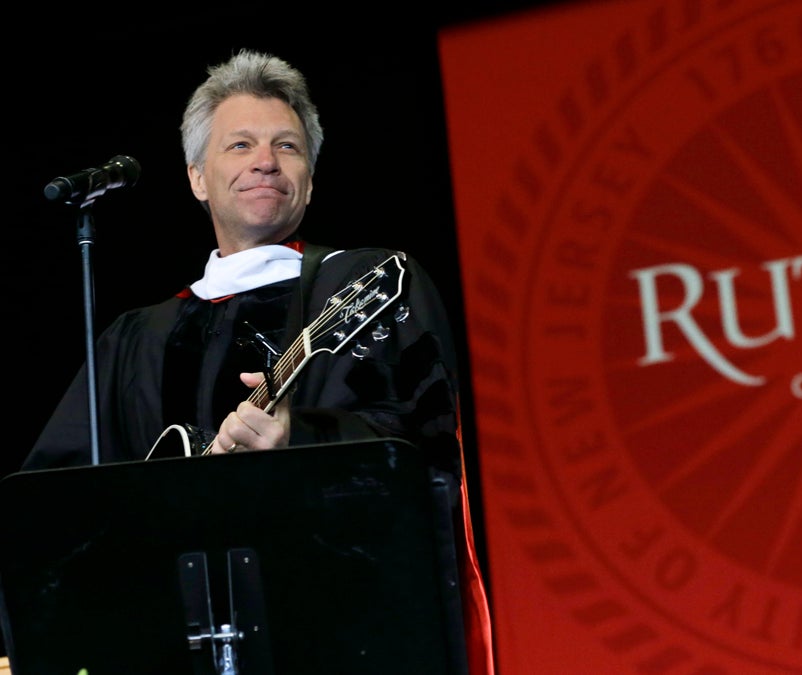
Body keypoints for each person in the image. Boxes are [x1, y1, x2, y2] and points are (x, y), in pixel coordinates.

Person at [24, 49, 494, 673]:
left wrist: (304, 438)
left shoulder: (370, 284)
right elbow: (50, 511)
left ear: (310, 177)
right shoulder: (132, 340)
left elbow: (426, 449)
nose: (265, 162)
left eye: (287, 147)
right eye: (240, 145)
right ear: (197, 177)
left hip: (335, 637)